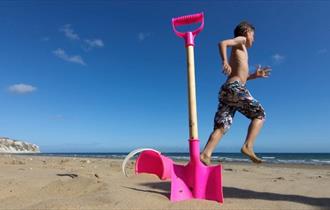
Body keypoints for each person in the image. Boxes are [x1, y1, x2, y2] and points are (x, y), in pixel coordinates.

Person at [200, 21, 271, 165]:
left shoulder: (242, 50)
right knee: (260, 114)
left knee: (221, 126)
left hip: (228, 91)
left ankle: (206, 153)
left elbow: (242, 76)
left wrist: (254, 76)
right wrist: (224, 61)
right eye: (253, 35)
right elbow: (222, 43)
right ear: (246, 31)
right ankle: (247, 146)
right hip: (235, 88)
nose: (254, 39)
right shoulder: (242, 41)